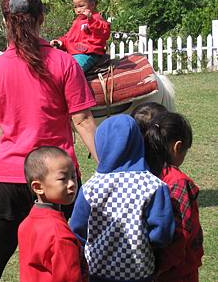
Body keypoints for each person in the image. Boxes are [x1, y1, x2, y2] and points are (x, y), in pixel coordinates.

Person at [0, 0, 98, 282]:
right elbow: (82, 121)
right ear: (41, 18)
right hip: (57, 176)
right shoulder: (64, 63)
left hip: (7, 178)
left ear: (6, 22)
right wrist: (106, 163)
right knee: (66, 251)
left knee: (0, 249)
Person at [70, 114, 175, 282]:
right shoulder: (154, 186)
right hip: (139, 272)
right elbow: (161, 233)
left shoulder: (90, 188)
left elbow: (77, 229)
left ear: (101, 145)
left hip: (97, 271)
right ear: (139, 143)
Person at [143, 112, 203, 282]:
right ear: (177, 147)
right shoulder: (178, 183)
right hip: (178, 272)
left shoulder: (144, 173)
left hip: (149, 267)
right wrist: (160, 269)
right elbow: (181, 234)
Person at [18, 146, 83, 282]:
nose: (72, 184)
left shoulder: (27, 223)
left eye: (73, 176)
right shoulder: (60, 235)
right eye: (62, 178)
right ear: (38, 187)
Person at [50, 0, 110, 72]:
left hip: (88, 54)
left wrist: (91, 20)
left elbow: (103, 33)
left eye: (81, 6)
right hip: (74, 54)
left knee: (73, 71)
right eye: (75, 7)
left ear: (92, 5)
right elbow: (69, 37)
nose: (78, 10)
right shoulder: (78, 21)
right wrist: (61, 42)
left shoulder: (96, 18)